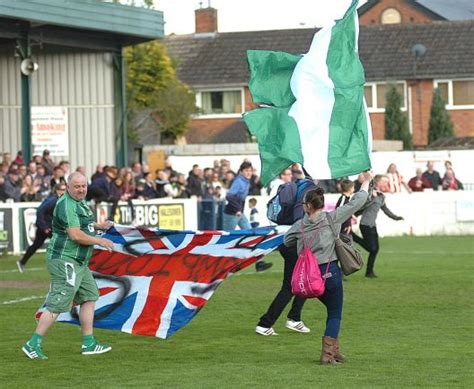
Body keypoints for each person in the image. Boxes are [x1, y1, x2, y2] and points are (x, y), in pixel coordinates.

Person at [283, 171, 373, 364]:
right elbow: (358, 201)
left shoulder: (299, 225)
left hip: (307, 278)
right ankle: (328, 354)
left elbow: (286, 241)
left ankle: (335, 350)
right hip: (329, 273)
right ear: (321, 204)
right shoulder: (331, 218)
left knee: (331, 309)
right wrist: (366, 181)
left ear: (307, 206)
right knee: (334, 313)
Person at [22, 172, 114, 360]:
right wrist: (99, 241)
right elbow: (75, 235)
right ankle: (32, 343)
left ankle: (88, 343)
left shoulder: (79, 201)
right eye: (77, 186)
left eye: (83, 186)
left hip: (78, 261)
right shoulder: (66, 204)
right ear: (68, 186)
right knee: (58, 302)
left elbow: (84, 225)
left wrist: (100, 226)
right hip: (65, 259)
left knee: (89, 296)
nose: (81, 190)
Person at [255, 164, 317, 336]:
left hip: (286, 238)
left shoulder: (296, 185)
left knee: (307, 280)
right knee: (291, 286)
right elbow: (299, 217)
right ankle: (265, 323)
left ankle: (294, 318)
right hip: (295, 242)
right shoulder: (310, 189)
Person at [223, 161, 272, 272]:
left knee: (252, 235)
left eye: (250, 171)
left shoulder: (245, 181)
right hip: (231, 213)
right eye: (246, 171)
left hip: (239, 213)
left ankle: (259, 263)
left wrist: (240, 210)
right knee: (226, 240)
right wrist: (237, 209)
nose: (249, 173)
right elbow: (229, 196)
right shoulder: (239, 181)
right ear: (241, 172)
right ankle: (222, 265)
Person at [352, 175, 404, 278]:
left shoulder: (381, 196)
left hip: (372, 225)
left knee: (375, 249)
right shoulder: (370, 193)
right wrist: (371, 197)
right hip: (365, 224)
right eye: (384, 182)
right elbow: (362, 206)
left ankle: (369, 272)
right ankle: (355, 238)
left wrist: (396, 217)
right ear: (378, 182)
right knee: (373, 249)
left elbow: (386, 210)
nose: (386, 184)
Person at [16, 184, 67, 272]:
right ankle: (61, 265)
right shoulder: (52, 200)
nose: (64, 191)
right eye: (62, 189)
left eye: (65, 189)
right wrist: (44, 227)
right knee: (62, 243)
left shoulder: (60, 200)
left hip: (48, 226)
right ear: (57, 191)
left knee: (38, 244)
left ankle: (22, 262)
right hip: (46, 227)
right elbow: (40, 211)